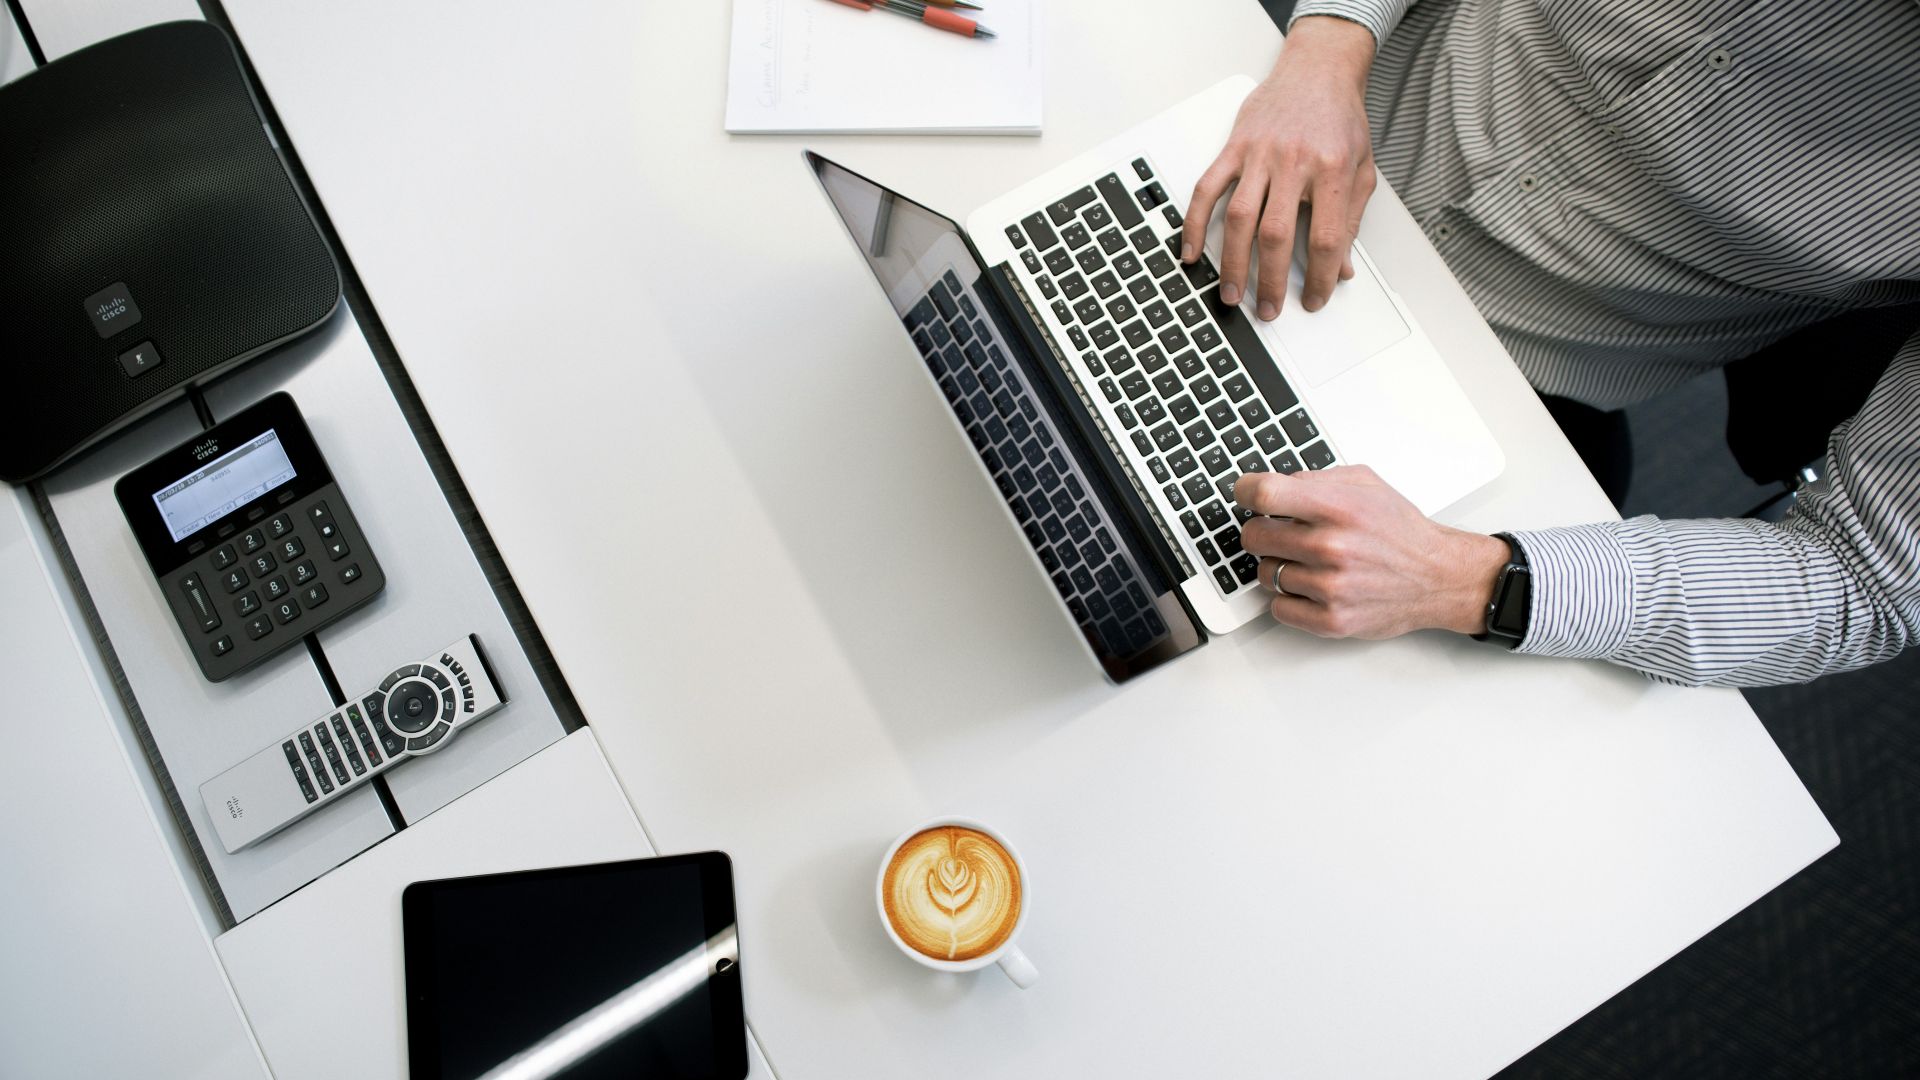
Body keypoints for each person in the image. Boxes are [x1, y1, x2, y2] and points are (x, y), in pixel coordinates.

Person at [1183, 1, 1920, 687]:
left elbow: (1863, 579)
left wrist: (1467, 579)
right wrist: (1330, 43)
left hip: (1509, 383)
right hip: (1311, 114)